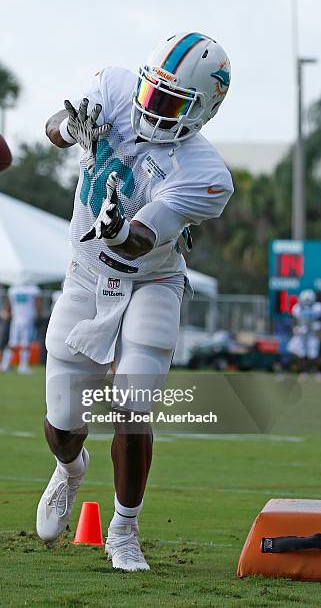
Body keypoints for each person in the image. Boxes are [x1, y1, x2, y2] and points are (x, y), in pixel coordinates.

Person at [37, 32, 234, 571]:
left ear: (202, 112)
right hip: (85, 274)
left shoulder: (205, 174)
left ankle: (124, 530)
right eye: (151, 93)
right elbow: (55, 126)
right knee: (61, 417)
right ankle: (70, 469)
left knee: (133, 402)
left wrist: (120, 228)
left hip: (151, 280)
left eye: (169, 103)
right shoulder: (115, 86)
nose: (150, 108)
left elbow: (141, 240)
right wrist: (70, 126)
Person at [0, 281, 41, 374]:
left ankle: (5, 364)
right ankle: (23, 365)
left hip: (16, 319)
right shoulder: (33, 289)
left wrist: (6, 312)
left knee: (12, 342)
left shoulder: (13, 289)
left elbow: (8, 304)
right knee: (25, 342)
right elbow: (37, 305)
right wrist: (38, 317)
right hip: (27, 318)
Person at [287, 289, 321, 379]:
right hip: (302, 333)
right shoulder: (297, 308)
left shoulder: (317, 308)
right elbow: (294, 320)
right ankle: (303, 372)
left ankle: (318, 372)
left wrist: (317, 326)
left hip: (313, 333)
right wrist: (295, 328)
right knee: (301, 352)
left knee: (313, 353)